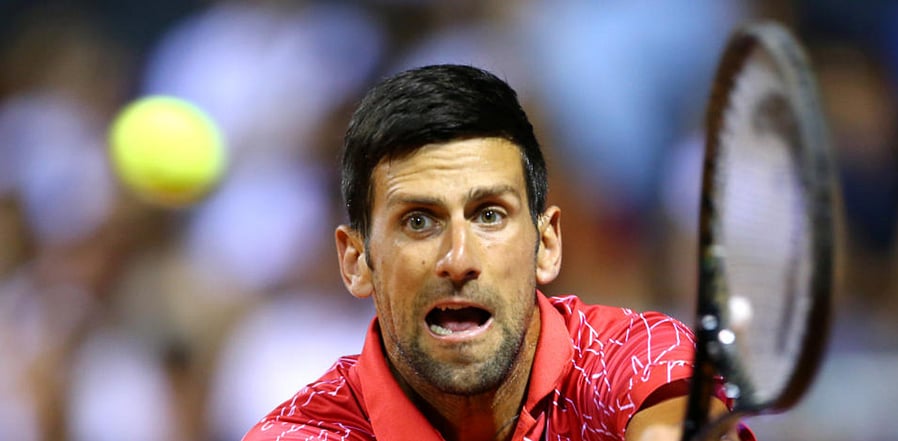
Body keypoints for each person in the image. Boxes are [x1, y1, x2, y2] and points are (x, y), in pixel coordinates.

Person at [241, 64, 753, 441]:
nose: (459, 259)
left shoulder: (634, 358)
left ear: (546, 244)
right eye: (418, 221)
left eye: (489, 215)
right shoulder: (307, 432)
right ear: (357, 261)